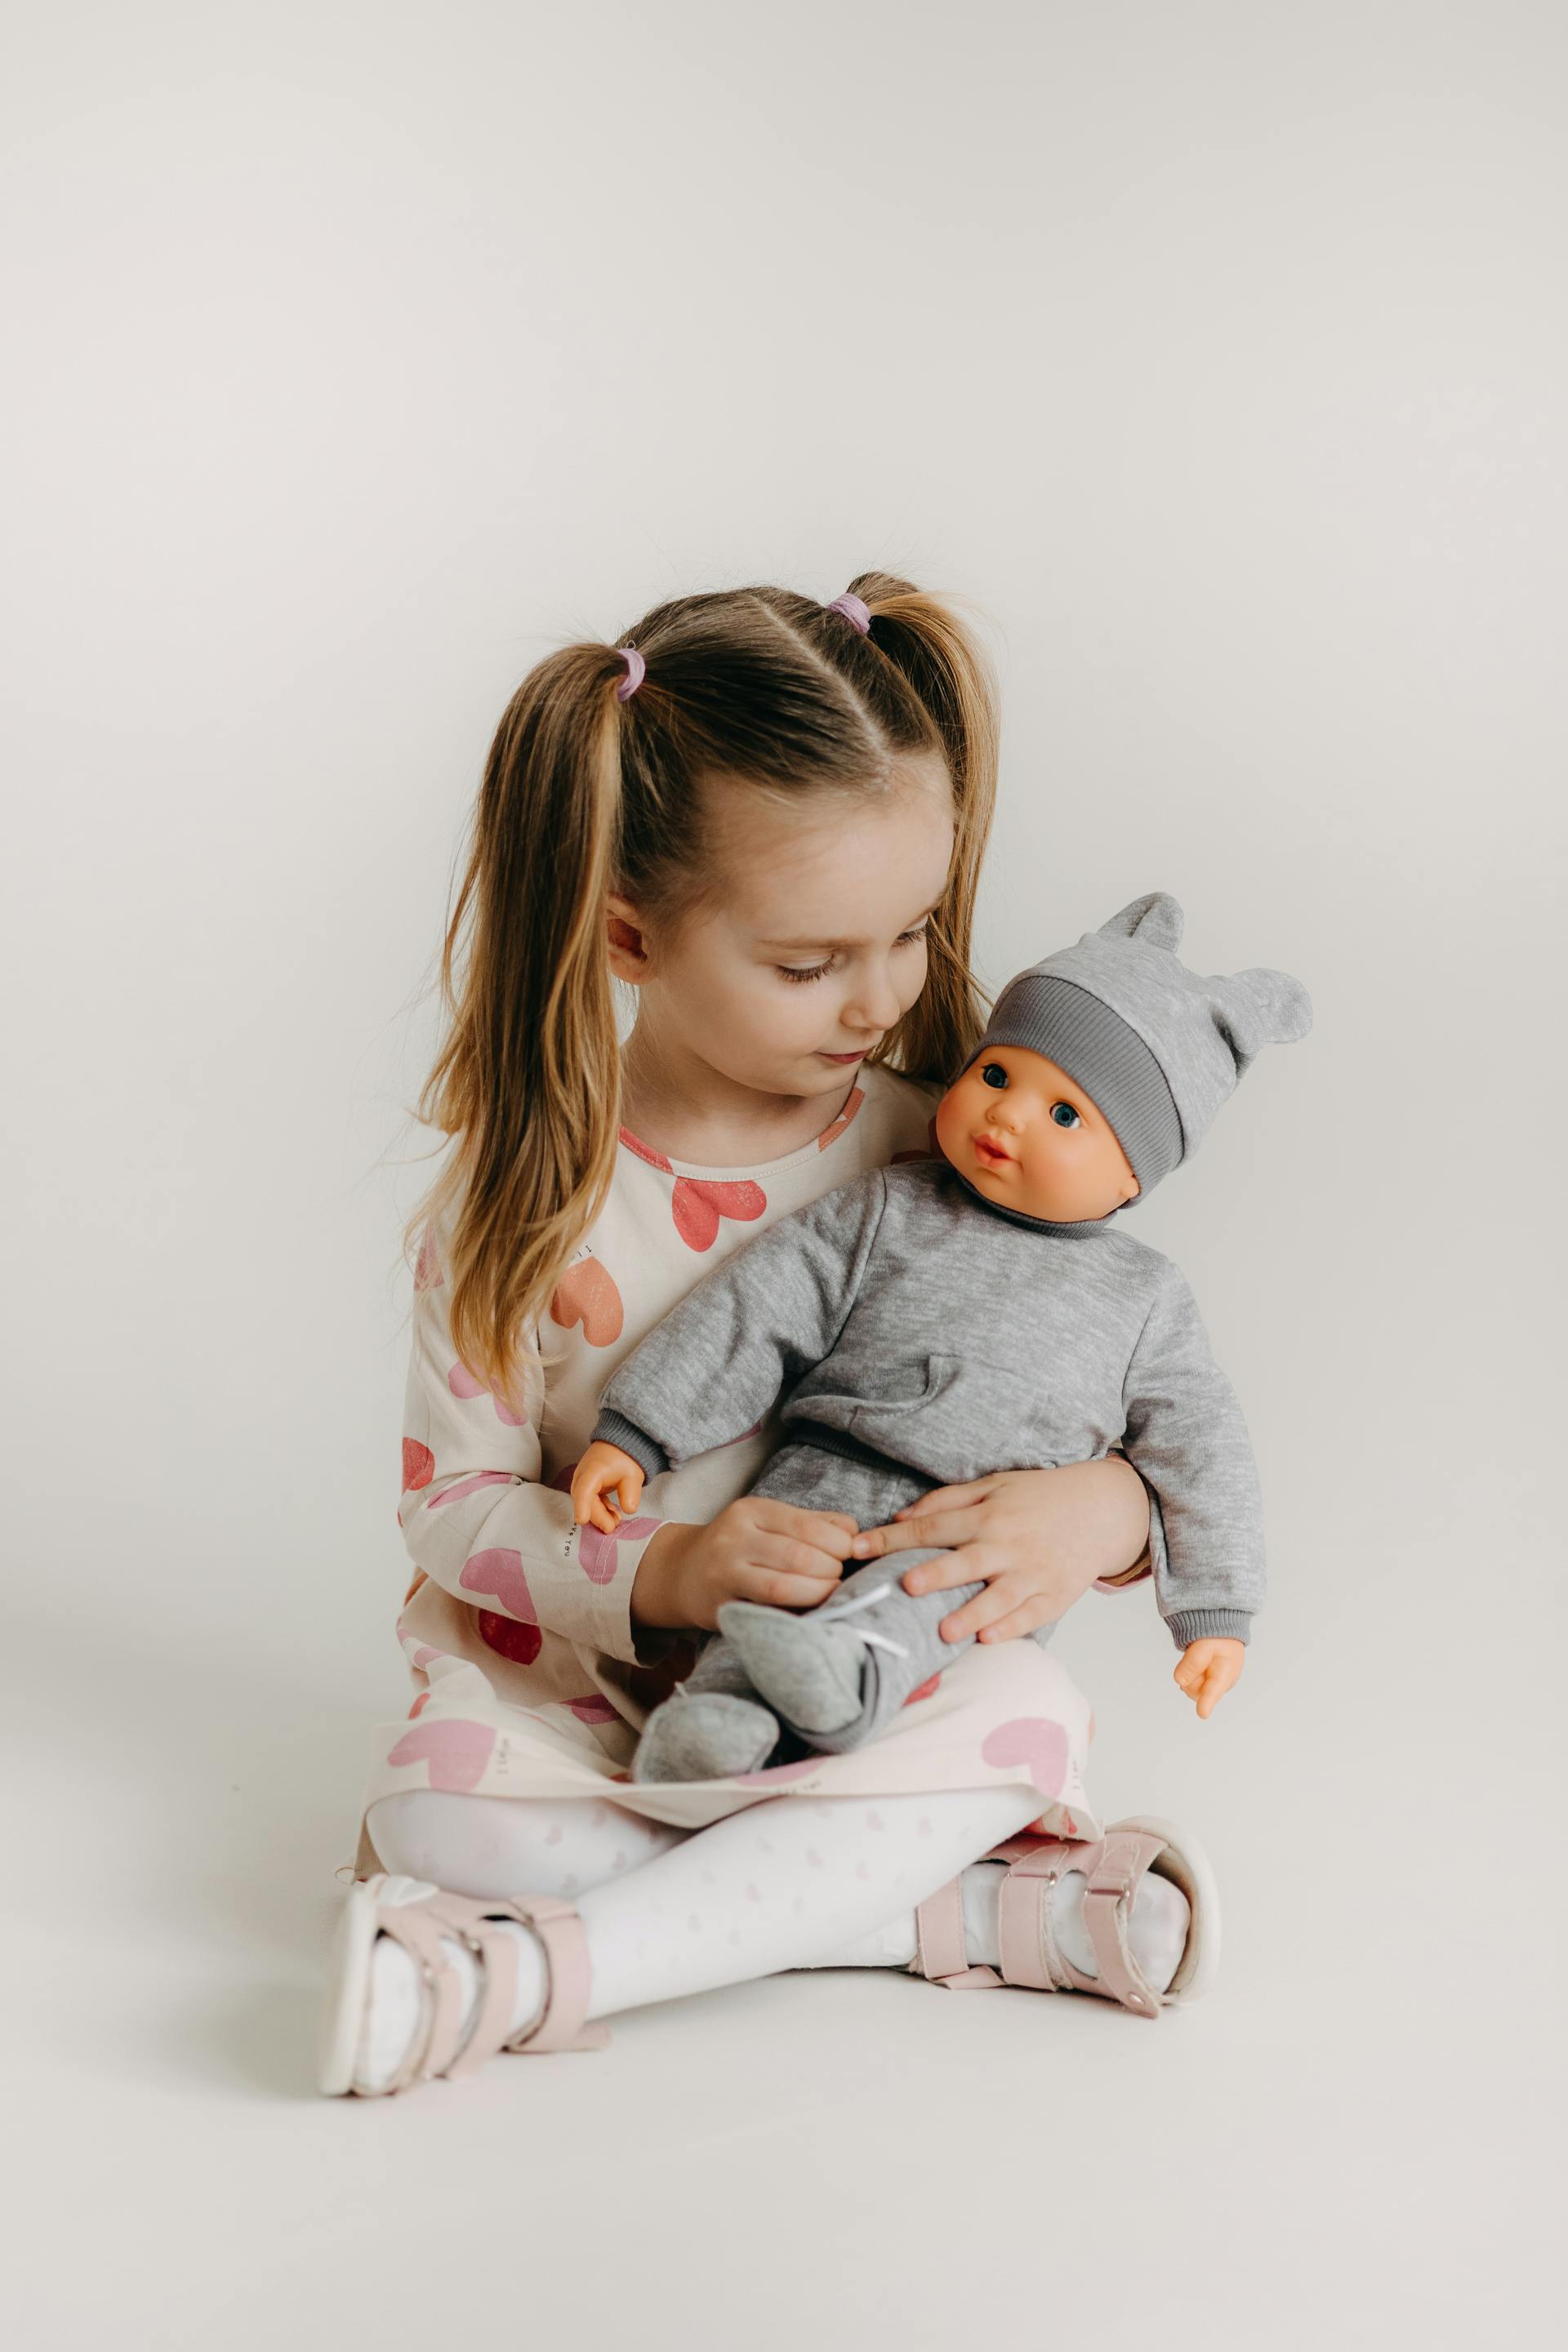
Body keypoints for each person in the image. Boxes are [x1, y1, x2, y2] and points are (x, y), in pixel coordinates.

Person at [317, 577, 1218, 2098]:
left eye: (914, 935)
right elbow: (449, 1506)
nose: (884, 999)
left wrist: (1113, 1512)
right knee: (431, 1816)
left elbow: (1113, 1386)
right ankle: (918, 1912)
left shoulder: (945, 1159)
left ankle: (532, 1966)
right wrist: (662, 1572)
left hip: (865, 1692)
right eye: (810, 964)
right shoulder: (524, 1207)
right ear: (629, 935)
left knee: (1029, 1720)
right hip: (595, 1716)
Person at [572, 891, 1310, 1780]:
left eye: (1065, 1114)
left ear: (1131, 1178)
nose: (1006, 1116)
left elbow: (1204, 1451)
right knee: (771, 1596)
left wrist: (1215, 1612)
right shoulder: (889, 1208)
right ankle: (708, 1735)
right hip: (824, 1477)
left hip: (982, 1537)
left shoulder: (1146, 1300)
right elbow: (758, 1307)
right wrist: (640, 1433)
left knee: (918, 1603)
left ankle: (847, 1683)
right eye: (998, 1075)